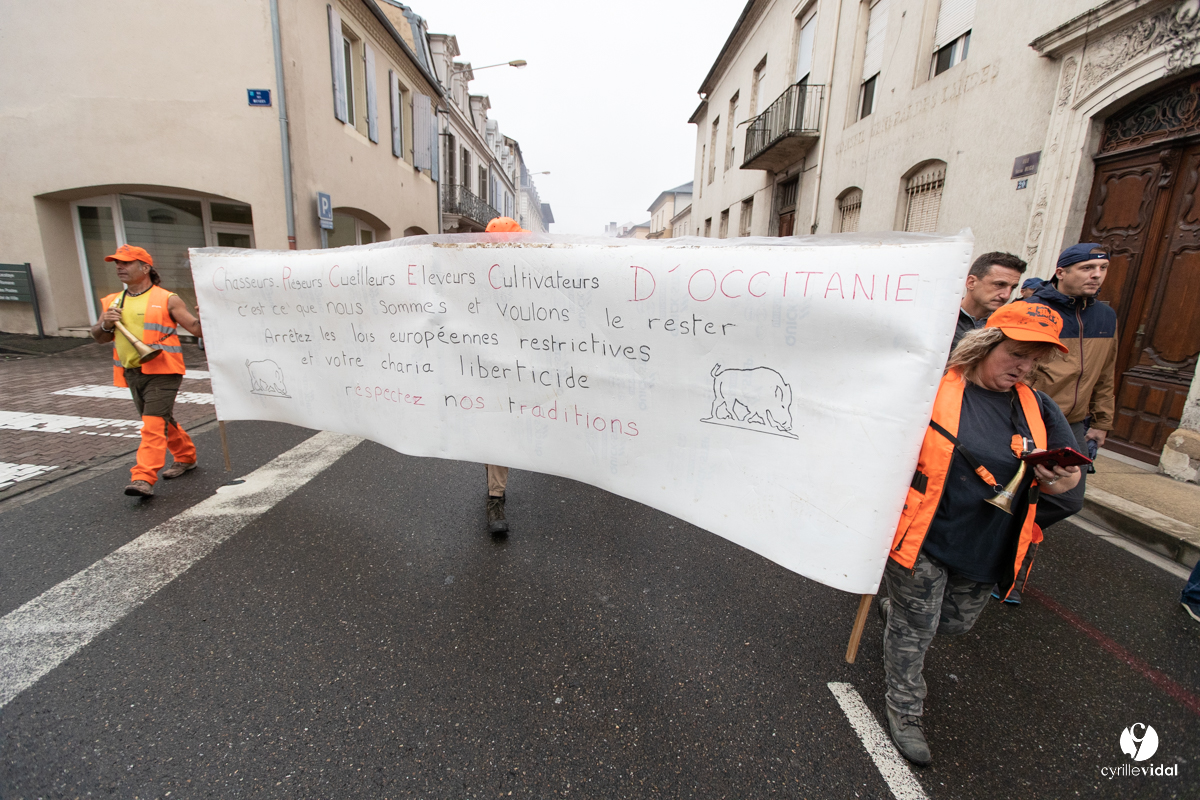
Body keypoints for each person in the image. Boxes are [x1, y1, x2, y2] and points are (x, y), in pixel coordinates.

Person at [880, 301, 1081, 766]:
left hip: (989, 542)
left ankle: (898, 615)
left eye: (1035, 359)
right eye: (1016, 353)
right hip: (924, 535)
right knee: (917, 630)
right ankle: (905, 709)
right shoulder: (932, 387)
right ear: (986, 343)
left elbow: (1071, 479)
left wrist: (1060, 478)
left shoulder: (1037, 405)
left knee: (953, 622)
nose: (1025, 366)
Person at [990, 243, 1117, 604]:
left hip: (1073, 423)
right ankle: (1005, 573)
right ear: (1061, 272)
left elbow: (1106, 371)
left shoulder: (1106, 316)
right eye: (1088, 267)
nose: (1096, 275)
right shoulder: (1030, 310)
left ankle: (1003, 548)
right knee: (1012, 487)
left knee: (1066, 500)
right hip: (1027, 416)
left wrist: (1102, 421)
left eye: (1103, 268)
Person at [90, 245, 203, 497]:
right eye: (117, 263)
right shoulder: (112, 301)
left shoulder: (167, 298)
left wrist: (206, 316)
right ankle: (185, 456)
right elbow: (99, 337)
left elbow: (196, 330)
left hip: (164, 370)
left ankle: (143, 477)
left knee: (152, 424)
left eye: (126, 263)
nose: (120, 267)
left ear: (145, 267)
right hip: (132, 371)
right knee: (160, 419)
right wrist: (106, 324)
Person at [482, 216, 528, 535]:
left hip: (517, 368)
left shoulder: (527, 278)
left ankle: (494, 490)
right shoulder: (471, 280)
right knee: (493, 430)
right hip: (482, 369)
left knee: (499, 431)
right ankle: (495, 495)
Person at [951, 252, 1027, 352]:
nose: (1006, 295)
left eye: (1012, 288)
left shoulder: (1007, 328)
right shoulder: (940, 318)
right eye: (999, 284)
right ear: (971, 282)